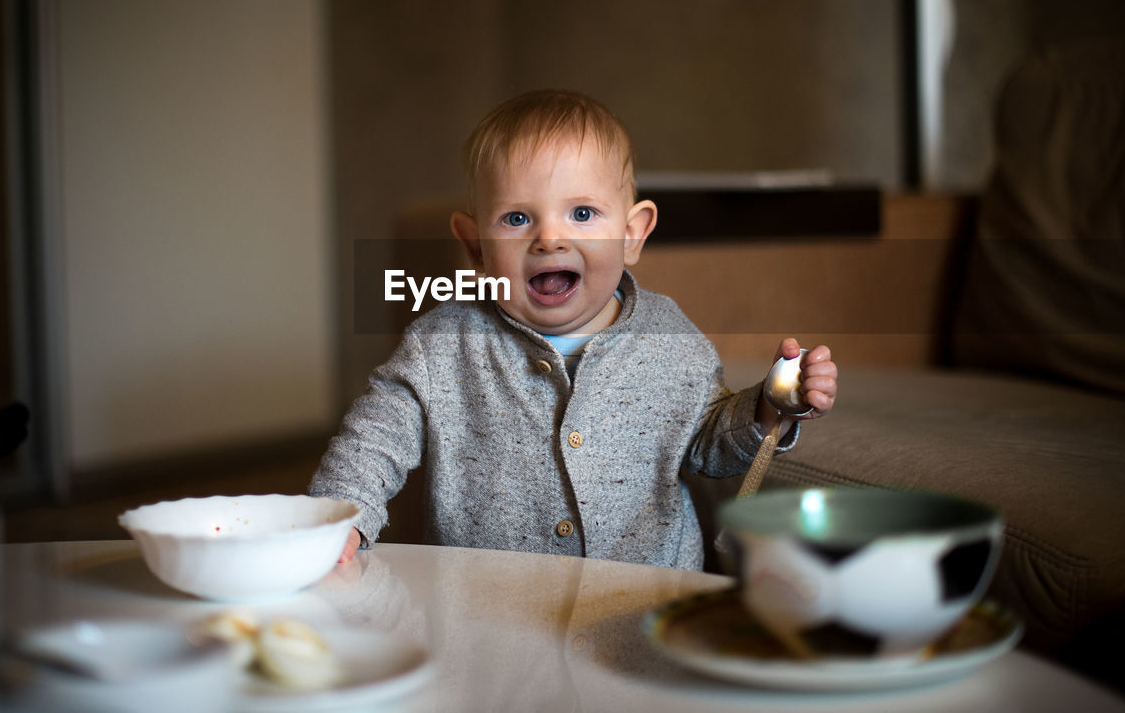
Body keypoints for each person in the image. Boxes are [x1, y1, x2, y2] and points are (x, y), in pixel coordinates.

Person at [309, 90, 837, 571]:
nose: (549, 238)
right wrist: (336, 521)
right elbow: (374, 439)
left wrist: (767, 407)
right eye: (517, 219)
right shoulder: (444, 343)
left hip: (643, 600)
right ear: (475, 248)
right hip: (491, 609)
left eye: (582, 213)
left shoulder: (669, 338)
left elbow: (707, 441)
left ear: (631, 234)